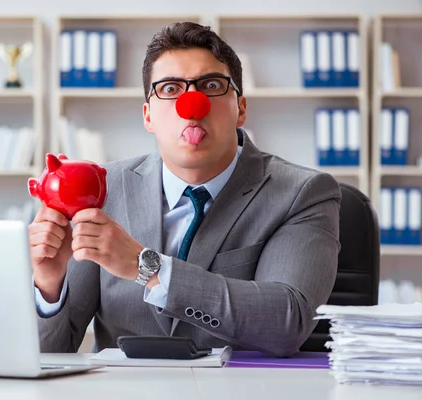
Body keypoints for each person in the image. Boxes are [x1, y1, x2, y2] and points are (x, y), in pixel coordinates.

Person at [28, 21, 341, 357]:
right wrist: (49, 282)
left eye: (210, 85)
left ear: (241, 109)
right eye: (170, 89)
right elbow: (49, 355)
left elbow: (287, 323)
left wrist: (145, 266)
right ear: (148, 115)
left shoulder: (302, 193)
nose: (192, 106)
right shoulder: (102, 188)